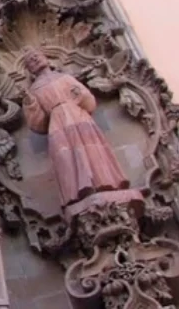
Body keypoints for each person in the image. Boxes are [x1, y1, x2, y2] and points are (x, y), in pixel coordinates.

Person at [22, 49, 129, 207]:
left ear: (46, 57)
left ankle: (105, 182)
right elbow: (38, 123)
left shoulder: (65, 78)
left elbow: (89, 103)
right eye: (31, 60)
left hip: (79, 117)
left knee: (93, 150)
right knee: (65, 158)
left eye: (37, 56)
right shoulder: (34, 90)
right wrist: (30, 103)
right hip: (57, 125)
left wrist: (79, 94)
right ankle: (76, 194)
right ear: (29, 69)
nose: (35, 59)